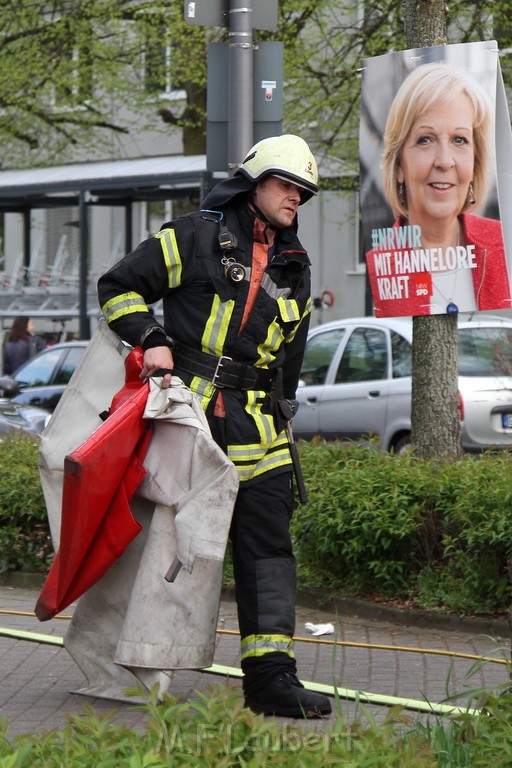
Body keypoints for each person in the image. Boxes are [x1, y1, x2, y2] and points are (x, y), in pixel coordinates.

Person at [97, 134, 332, 719]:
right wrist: (151, 339)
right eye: (286, 186)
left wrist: (288, 414)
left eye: (303, 193)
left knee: (269, 552)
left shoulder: (295, 267)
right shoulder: (194, 236)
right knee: (159, 546)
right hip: (188, 421)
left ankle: (272, 679)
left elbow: (291, 360)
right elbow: (117, 287)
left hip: (259, 428)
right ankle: (117, 655)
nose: (295, 199)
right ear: (253, 184)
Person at [365, 62, 512, 316]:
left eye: (459, 140)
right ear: (399, 165)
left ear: (476, 162)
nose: (444, 161)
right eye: (425, 139)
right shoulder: (379, 265)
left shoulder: (505, 244)